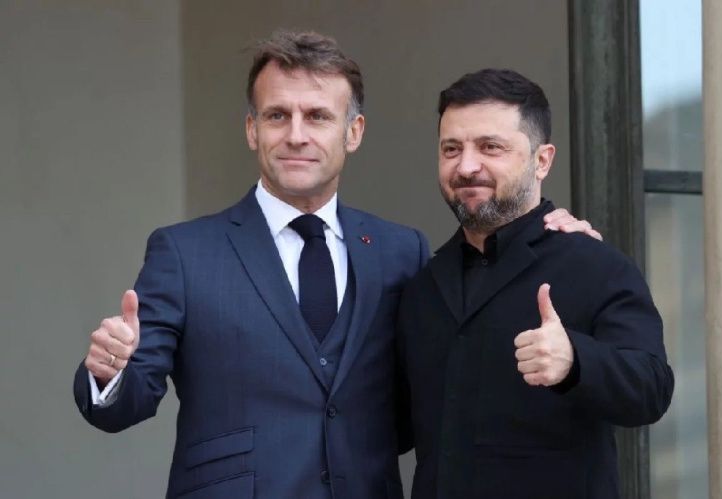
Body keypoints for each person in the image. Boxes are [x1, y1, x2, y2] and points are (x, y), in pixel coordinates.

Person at [73, 31, 593, 499]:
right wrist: (109, 372)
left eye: (318, 116)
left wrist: (550, 238)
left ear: (353, 132)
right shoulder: (184, 252)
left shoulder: (401, 251)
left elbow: (457, 368)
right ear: (252, 129)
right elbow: (126, 400)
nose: (296, 135)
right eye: (277, 115)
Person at [397, 68, 674, 499]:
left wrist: (575, 360)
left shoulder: (594, 264)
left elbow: (652, 388)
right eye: (451, 149)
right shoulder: (423, 287)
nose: (466, 166)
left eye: (490, 147)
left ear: (542, 160)